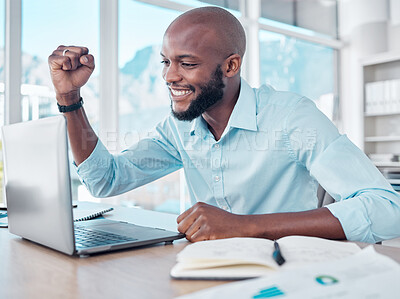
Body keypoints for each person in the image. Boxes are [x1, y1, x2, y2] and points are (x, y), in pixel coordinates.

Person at [48, 6, 400, 244]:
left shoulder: (291, 117)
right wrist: (70, 99)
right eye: (166, 62)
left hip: (290, 274)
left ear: (231, 66)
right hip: (214, 273)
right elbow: (104, 180)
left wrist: (246, 227)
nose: (170, 76)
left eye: (186, 63)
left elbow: (387, 209)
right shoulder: (178, 128)